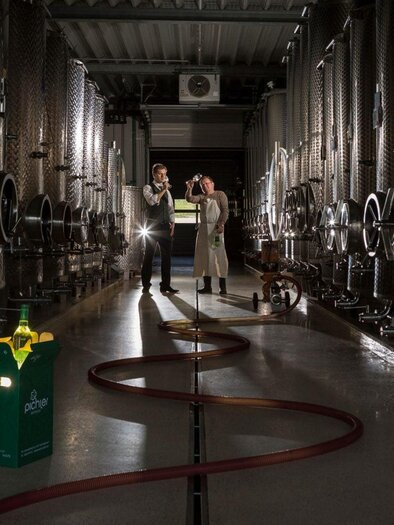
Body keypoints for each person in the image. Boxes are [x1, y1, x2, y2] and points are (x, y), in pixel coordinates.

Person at [185, 175, 229, 294]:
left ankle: (222, 287)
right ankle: (207, 286)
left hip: (216, 230)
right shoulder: (201, 197)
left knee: (218, 255)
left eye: (207, 183)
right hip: (203, 230)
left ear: (212, 183)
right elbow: (189, 199)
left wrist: (221, 224)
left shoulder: (220, 195)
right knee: (204, 257)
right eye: (202, 185)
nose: (205, 186)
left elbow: (225, 210)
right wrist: (189, 188)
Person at [141, 163, 179, 294]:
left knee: (167, 257)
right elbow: (152, 201)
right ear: (154, 174)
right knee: (149, 256)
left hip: (165, 227)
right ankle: (146, 284)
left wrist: (173, 223)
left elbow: (170, 208)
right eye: (160, 174)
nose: (163, 176)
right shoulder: (147, 188)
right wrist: (163, 189)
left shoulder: (167, 191)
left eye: (165, 174)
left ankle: (165, 285)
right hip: (151, 226)